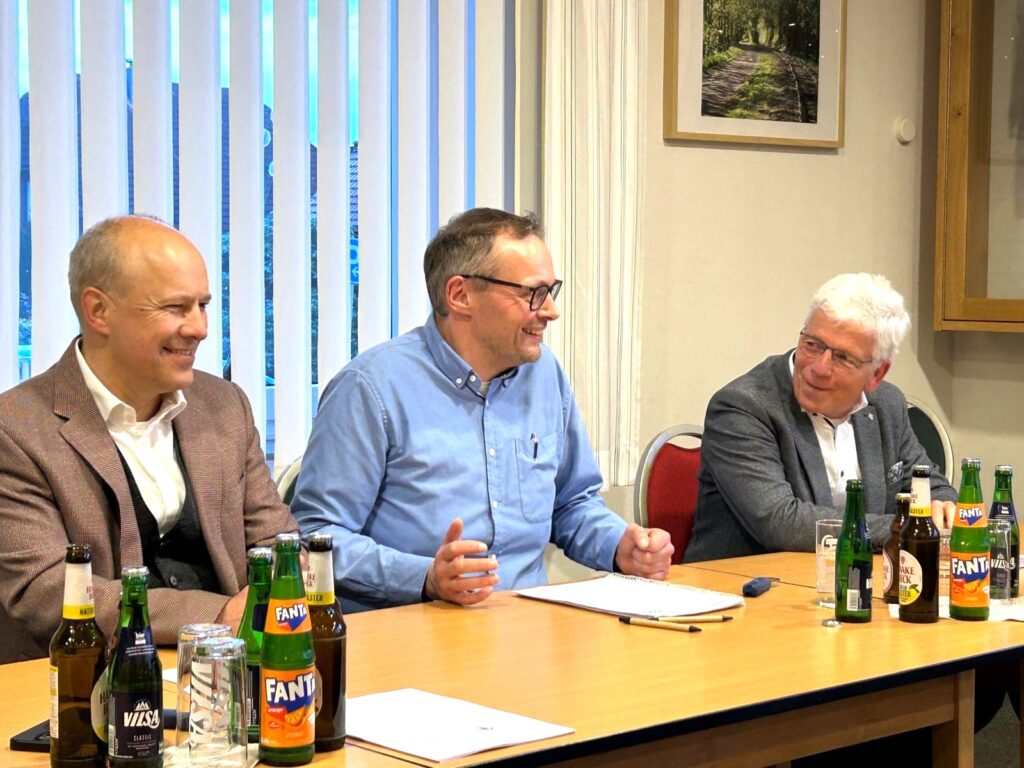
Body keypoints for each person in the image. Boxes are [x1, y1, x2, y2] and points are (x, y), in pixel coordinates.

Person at [292, 207, 673, 611]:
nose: (550, 310)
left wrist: (620, 546)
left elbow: (571, 502)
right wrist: (425, 577)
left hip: (527, 624)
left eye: (551, 291)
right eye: (532, 293)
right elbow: (315, 537)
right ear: (460, 295)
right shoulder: (370, 388)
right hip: (412, 627)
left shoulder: (544, 374)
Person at [0, 216, 297, 662]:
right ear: (98, 311)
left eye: (203, 305)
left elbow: (277, 541)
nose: (199, 328)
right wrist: (217, 616)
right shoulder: (16, 428)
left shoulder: (225, 405)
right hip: (88, 681)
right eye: (176, 308)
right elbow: (45, 590)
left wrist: (273, 594)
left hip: (233, 669)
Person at [685, 273, 957, 564]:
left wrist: (943, 509)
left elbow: (932, 487)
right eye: (813, 345)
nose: (819, 368)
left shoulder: (886, 405)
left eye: (843, 357)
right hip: (747, 583)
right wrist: (908, 528)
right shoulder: (743, 406)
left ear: (876, 374)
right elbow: (781, 524)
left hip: (856, 579)